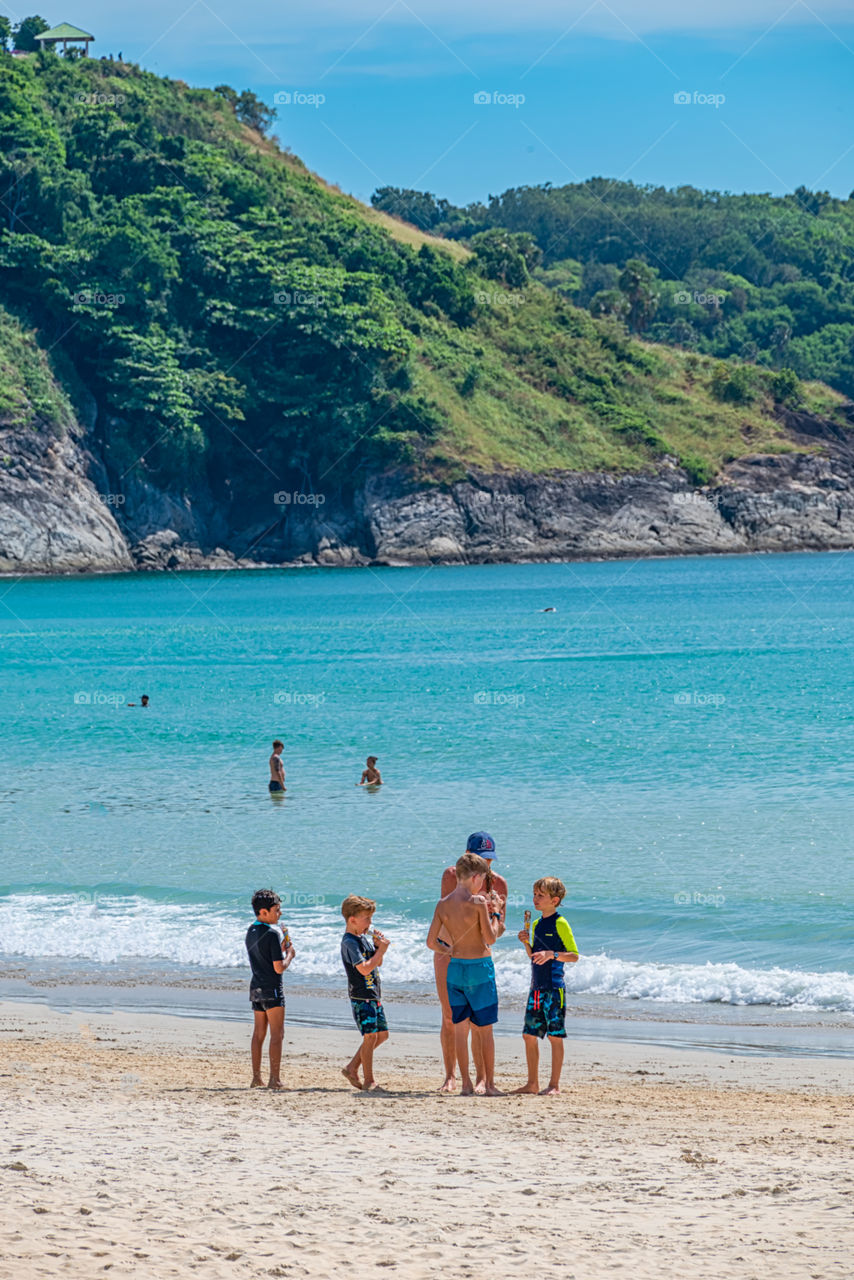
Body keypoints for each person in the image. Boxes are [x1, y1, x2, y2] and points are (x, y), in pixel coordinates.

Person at [433, 832, 507, 1092]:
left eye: (489, 859)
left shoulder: (498, 883)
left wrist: (494, 913)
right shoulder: (451, 875)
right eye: (481, 859)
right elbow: (452, 914)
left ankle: (481, 1079)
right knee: (450, 1017)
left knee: (480, 1024)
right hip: (448, 952)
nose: (487, 866)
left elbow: (496, 933)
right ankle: (450, 1076)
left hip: (477, 957)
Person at [514, 877, 578, 1096]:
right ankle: (532, 1083)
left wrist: (553, 954)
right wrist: (526, 944)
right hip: (537, 987)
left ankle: (554, 1085)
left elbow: (574, 956)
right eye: (534, 894)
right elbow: (534, 956)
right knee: (529, 1035)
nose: (535, 899)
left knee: (555, 1035)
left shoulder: (561, 923)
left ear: (555, 900)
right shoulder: (536, 924)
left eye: (540, 895)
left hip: (554, 988)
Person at [245, 888, 295, 1090]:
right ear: (263, 912)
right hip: (272, 988)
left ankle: (256, 1077)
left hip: (256, 987)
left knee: (258, 1034)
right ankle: (275, 1079)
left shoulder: (251, 931)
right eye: (276, 909)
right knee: (277, 1034)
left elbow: (261, 956)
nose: (279, 913)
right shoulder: (272, 934)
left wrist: (279, 951)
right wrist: (290, 954)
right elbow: (278, 967)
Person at [340, 894, 390, 1092]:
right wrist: (381, 951)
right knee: (370, 1037)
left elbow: (377, 962)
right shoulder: (350, 942)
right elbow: (364, 969)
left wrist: (378, 948)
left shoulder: (363, 939)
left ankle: (352, 1067)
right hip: (361, 996)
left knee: (382, 1035)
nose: (369, 923)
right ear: (352, 920)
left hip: (373, 994)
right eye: (366, 918)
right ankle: (369, 1080)